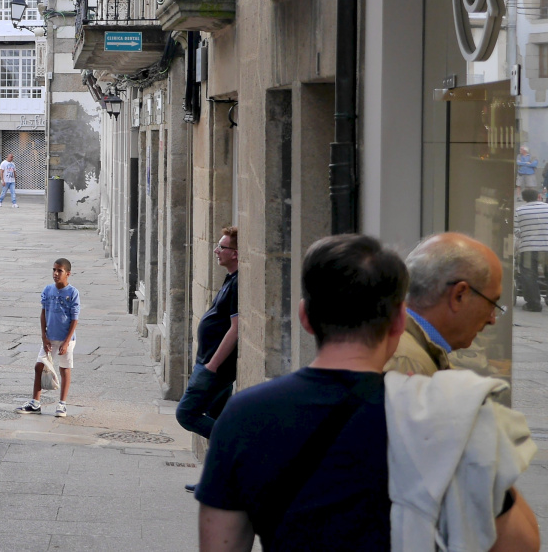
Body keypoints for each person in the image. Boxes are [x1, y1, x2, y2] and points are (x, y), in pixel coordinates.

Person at [195, 233, 540, 552]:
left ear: (305, 318)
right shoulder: (446, 412)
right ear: (399, 321)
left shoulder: (243, 417)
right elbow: (520, 543)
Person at [387, 232, 504, 376]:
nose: (492, 319)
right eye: (491, 303)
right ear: (459, 295)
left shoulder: (408, 349)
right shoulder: (409, 364)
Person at [177, 226, 239, 466]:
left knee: (186, 414)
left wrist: (211, 366)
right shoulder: (230, 279)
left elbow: (235, 329)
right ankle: (215, 480)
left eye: (222, 247)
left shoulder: (237, 283)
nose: (216, 250)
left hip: (214, 368)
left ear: (235, 253)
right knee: (215, 417)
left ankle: (233, 441)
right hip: (211, 364)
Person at [17, 258, 79, 417]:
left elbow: (74, 319)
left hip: (66, 339)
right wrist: (44, 337)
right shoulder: (48, 290)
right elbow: (43, 314)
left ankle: (62, 404)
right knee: (39, 366)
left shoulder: (72, 293)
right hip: (50, 337)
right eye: (54, 270)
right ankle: (35, 403)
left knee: (64, 369)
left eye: (60, 271)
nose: (56, 274)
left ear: (68, 274)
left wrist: (66, 342)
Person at [517, 189, 548, 311]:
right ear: (539, 196)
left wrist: (526, 234)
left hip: (528, 248)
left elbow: (514, 228)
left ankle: (534, 304)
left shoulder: (519, 211)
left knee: (529, 275)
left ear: (524, 199)